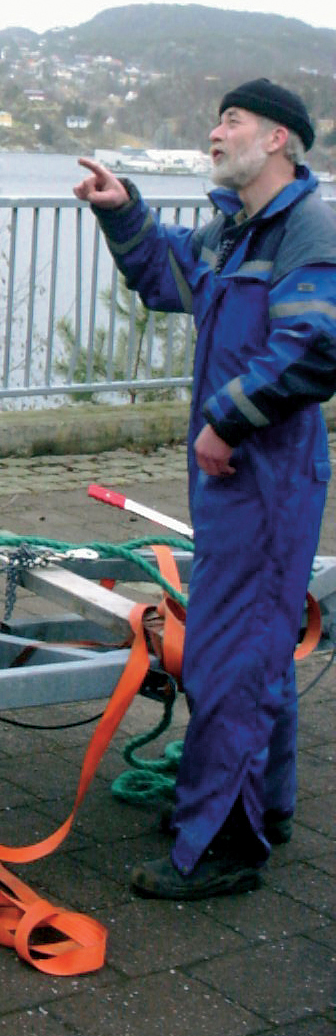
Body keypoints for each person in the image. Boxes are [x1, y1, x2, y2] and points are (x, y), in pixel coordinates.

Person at [73, 78, 336, 899]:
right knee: (257, 644)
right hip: (232, 476)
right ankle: (267, 806)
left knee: (225, 654)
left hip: (265, 474)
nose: (215, 133)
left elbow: (318, 345)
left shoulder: (304, 230)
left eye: (232, 120)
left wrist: (224, 422)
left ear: (279, 141)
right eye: (217, 118)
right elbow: (166, 278)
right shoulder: (233, 230)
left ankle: (224, 844)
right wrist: (121, 209)